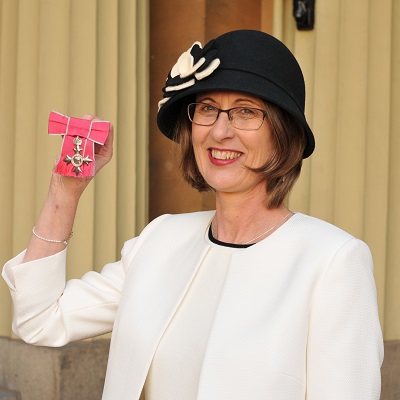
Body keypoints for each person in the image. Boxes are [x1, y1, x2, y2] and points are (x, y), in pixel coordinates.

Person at [2, 30, 383, 399]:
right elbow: (41, 320)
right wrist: (64, 191)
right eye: (207, 109)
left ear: (284, 134)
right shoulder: (160, 240)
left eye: (245, 112)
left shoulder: (332, 261)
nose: (220, 131)